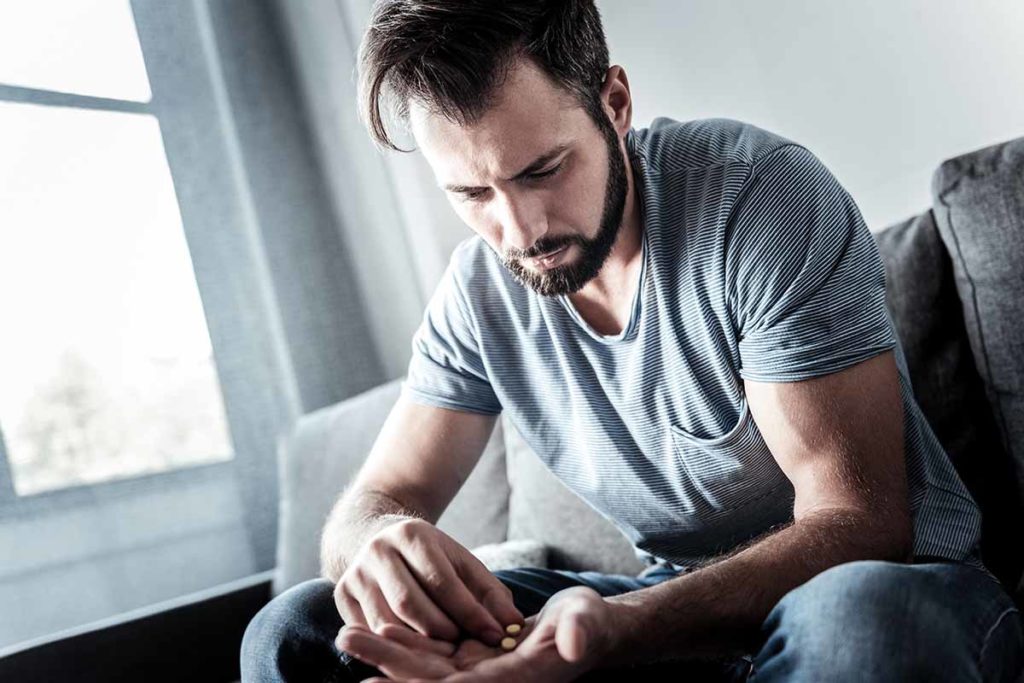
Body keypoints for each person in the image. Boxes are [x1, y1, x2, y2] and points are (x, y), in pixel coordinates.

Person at [240, 1, 1024, 681]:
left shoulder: (760, 200)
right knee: (300, 628)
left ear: (613, 102)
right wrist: (375, 540)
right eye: (472, 193)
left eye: (543, 169)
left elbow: (859, 522)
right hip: (660, 617)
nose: (519, 230)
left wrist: (613, 633)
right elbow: (376, 500)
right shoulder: (477, 294)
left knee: (861, 621)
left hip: (890, 589)